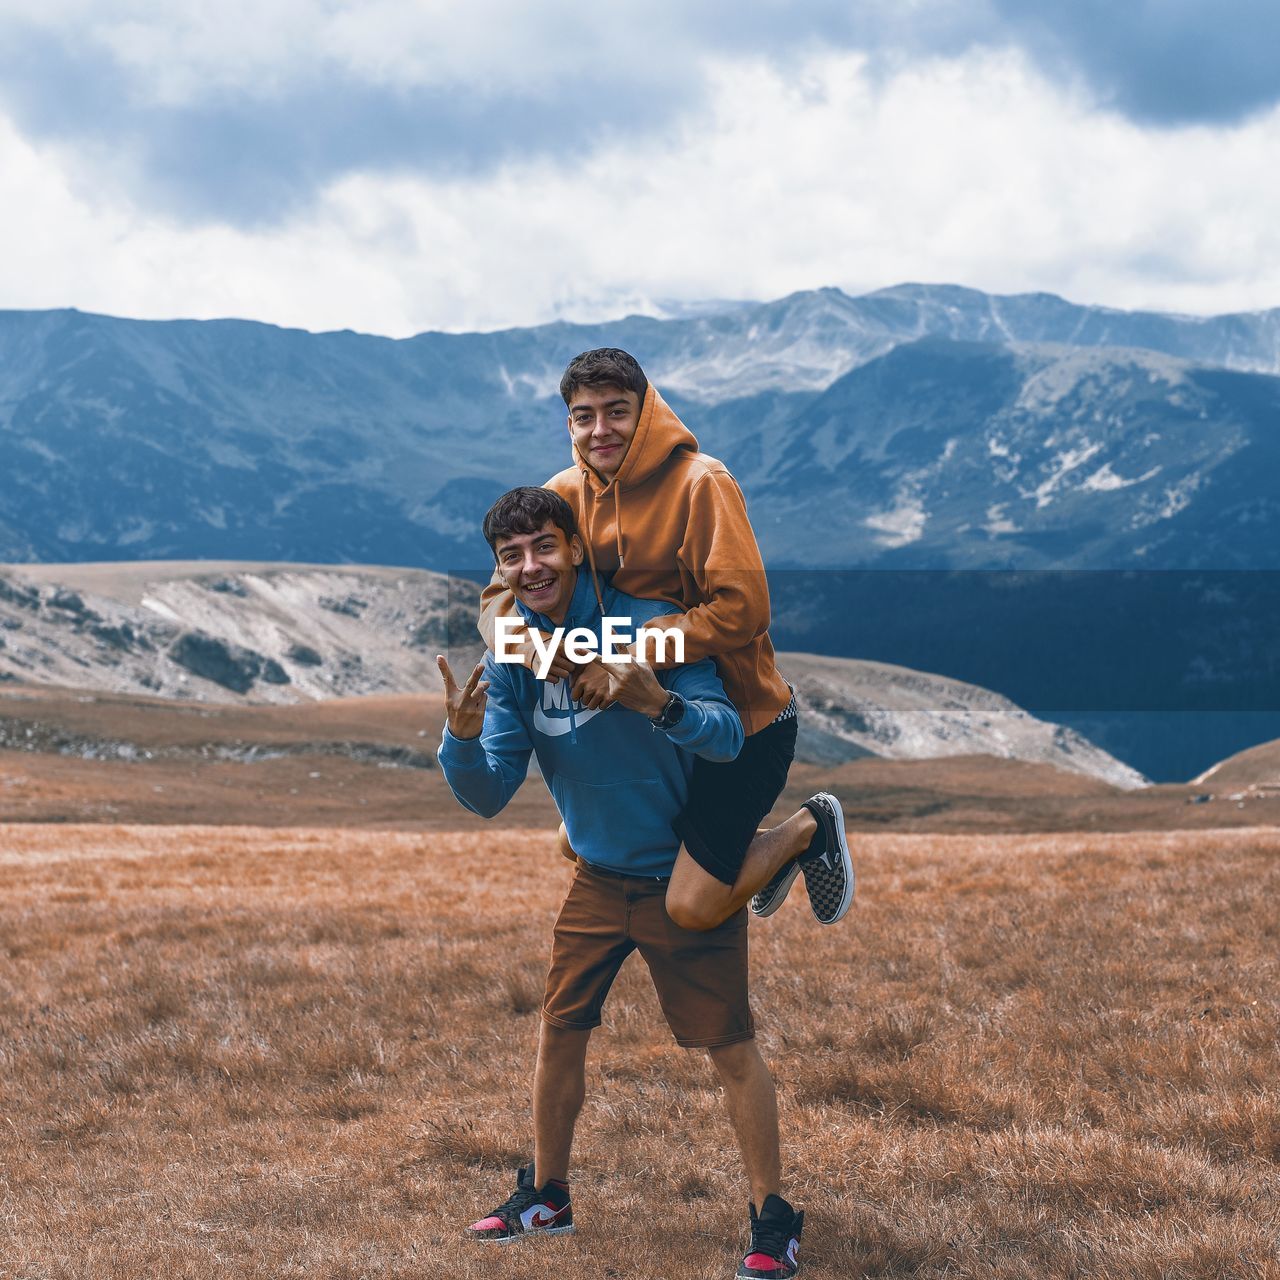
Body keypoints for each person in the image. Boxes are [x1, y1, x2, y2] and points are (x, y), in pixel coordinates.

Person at [438, 486, 805, 1278]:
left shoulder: (644, 626)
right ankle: (545, 1195)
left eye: (544, 546)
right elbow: (491, 792)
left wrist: (659, 702)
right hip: (596, 881)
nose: (531, 566)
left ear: (575, 548)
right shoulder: (511, 654)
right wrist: (461, 742)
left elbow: (726, 739)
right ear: (499, 570)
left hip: (677, 870)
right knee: (559, 1029)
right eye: (513, 556)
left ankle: (773, 1220)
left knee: (730, 1046)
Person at [478, 347, 853, 932]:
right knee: (577, 843)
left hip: (742, 720)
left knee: (692, 906)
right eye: (583, 415)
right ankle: (737, 853)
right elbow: (497, 598)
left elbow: (744, 609)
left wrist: (631, 655)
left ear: (646, 410)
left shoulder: (704, 484)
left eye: (616, 411)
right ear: (568, 422)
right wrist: (552, 655)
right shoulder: (564, 493)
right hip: (656, 729)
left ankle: (807, 829)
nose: (600, 429)